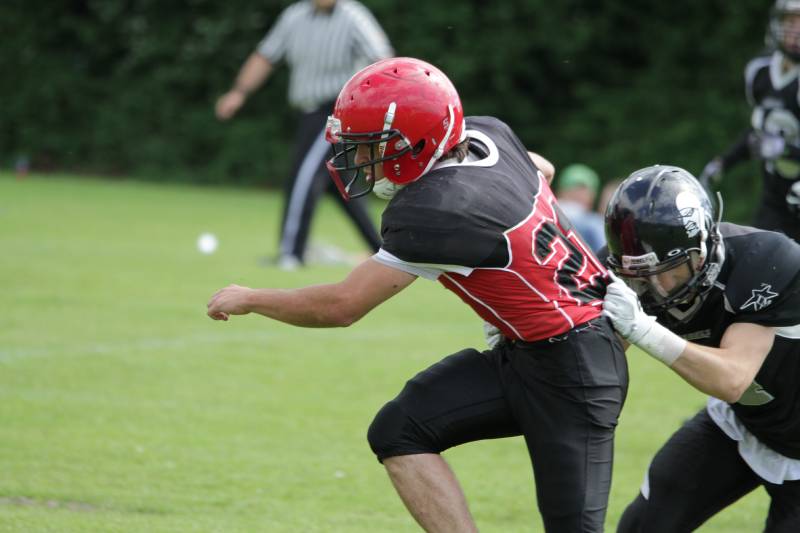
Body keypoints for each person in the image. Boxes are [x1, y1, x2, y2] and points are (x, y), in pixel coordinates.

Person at [208, 57, 627, 532]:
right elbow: (542, 170)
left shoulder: (435, 212)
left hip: (579, 374)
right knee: (399, 430)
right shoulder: (485, 136)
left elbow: (342, 306)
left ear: (418, 143)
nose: (360, 159)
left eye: (371, 147)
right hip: (533, 353)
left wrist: (251, 297)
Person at [601, 165, 800, 532]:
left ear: (703, 248)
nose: (653, 288)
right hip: (743, 425)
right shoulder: (632, 270)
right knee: (643, 526)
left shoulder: (766, 262)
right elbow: (593, 358)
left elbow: (733, 379)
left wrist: (641, 327)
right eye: (639, 278)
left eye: (669, 271)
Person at [215, 0, 393, 269]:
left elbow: (383, 59)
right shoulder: (294, 16)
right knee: (340, 187)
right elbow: (265, 55)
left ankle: (291, 253)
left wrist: (375, 104)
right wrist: (239, 92)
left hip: (338, 111)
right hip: (309, 113)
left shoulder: (353, 16)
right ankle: (385, 251)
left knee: (303, 175)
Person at [699, 0, 800, 242]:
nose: (796, 30)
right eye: (790, 21)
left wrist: (787, 150)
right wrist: (723, 162)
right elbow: (757, 133)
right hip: (774, 195)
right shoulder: (760, 72)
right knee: (764, 254)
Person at [555, 163, 606, 252]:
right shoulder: (594, 223)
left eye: (582, 190)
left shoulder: (542, 214)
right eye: (575, 190)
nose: (579, 194)